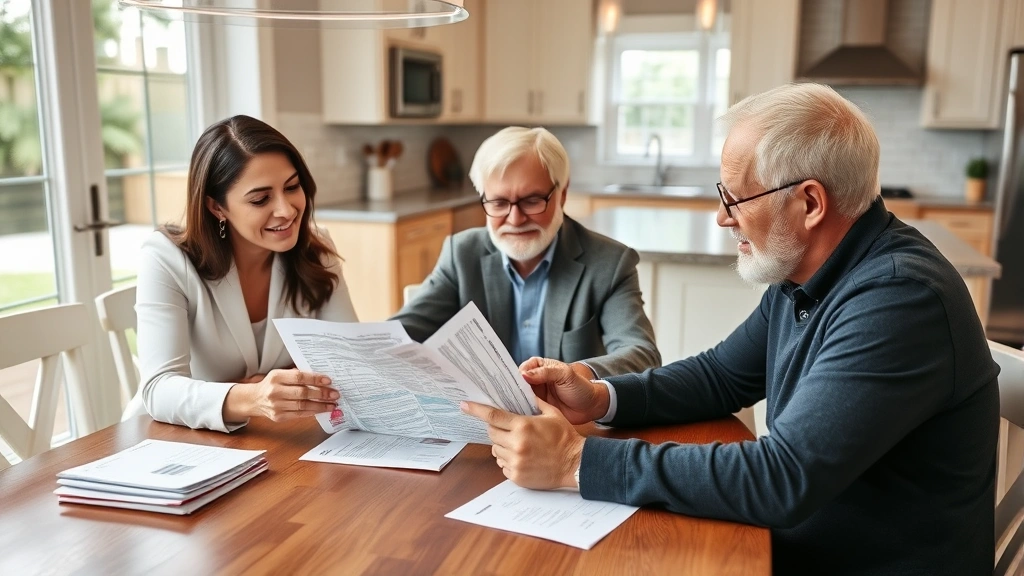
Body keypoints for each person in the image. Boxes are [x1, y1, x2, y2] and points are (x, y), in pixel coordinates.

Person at [461, 84, 1000, 575]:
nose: (723, 217)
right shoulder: (809, 271)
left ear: (810, 203)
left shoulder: (899, 299)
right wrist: (600, 395)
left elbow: (782, 478)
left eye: (736, 198)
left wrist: (574, 461)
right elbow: (720, 376)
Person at [124, 115, 358, 432]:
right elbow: (159, 389)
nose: (287, 210)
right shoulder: (166, 258)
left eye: (292, 187)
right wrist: (252, 397)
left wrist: (259, 391)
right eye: (260, 199)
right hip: (172, 435)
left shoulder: (315, 248)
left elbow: (350, 359)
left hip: (268, 435)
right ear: (216, 207)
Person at [391, 126, 660, 378]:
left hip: (565, 413)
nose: (515, 219)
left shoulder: (609, 264)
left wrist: (571, 376)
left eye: (532, 201)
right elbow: (398, 335)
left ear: (562, 195)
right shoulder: (462, 254)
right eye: (498, 202)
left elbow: (642, 355)